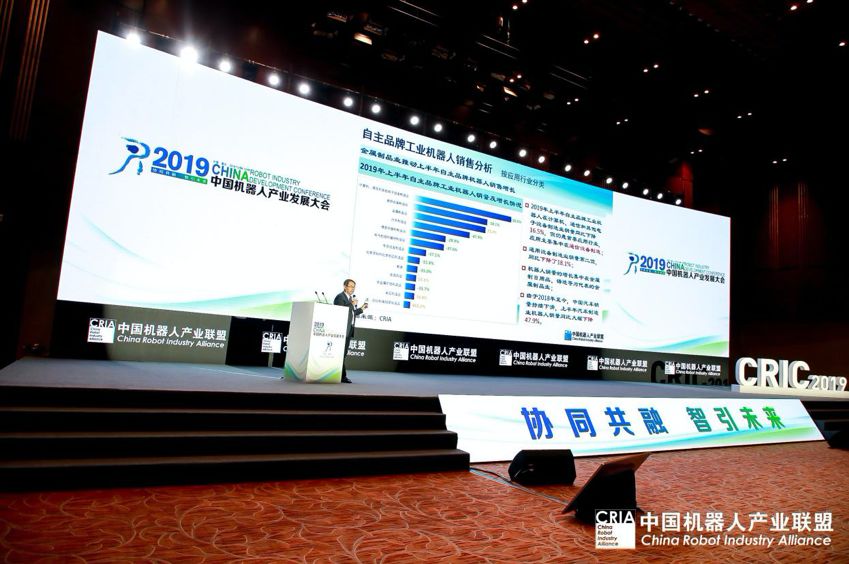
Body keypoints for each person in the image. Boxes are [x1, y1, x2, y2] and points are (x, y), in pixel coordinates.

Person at [333, 279, 368, 383]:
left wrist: (362, 309)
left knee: (343, 354)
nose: (352, 289)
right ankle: (342, 376)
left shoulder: (349, 299)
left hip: (349, 329)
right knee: (341, 354)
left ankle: (340, 376)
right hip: (341, 330)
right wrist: (351, 303)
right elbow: (339, 311)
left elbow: (351, 313)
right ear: (345, 286)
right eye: (350, 286)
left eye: (354, 287)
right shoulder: (340, 297)